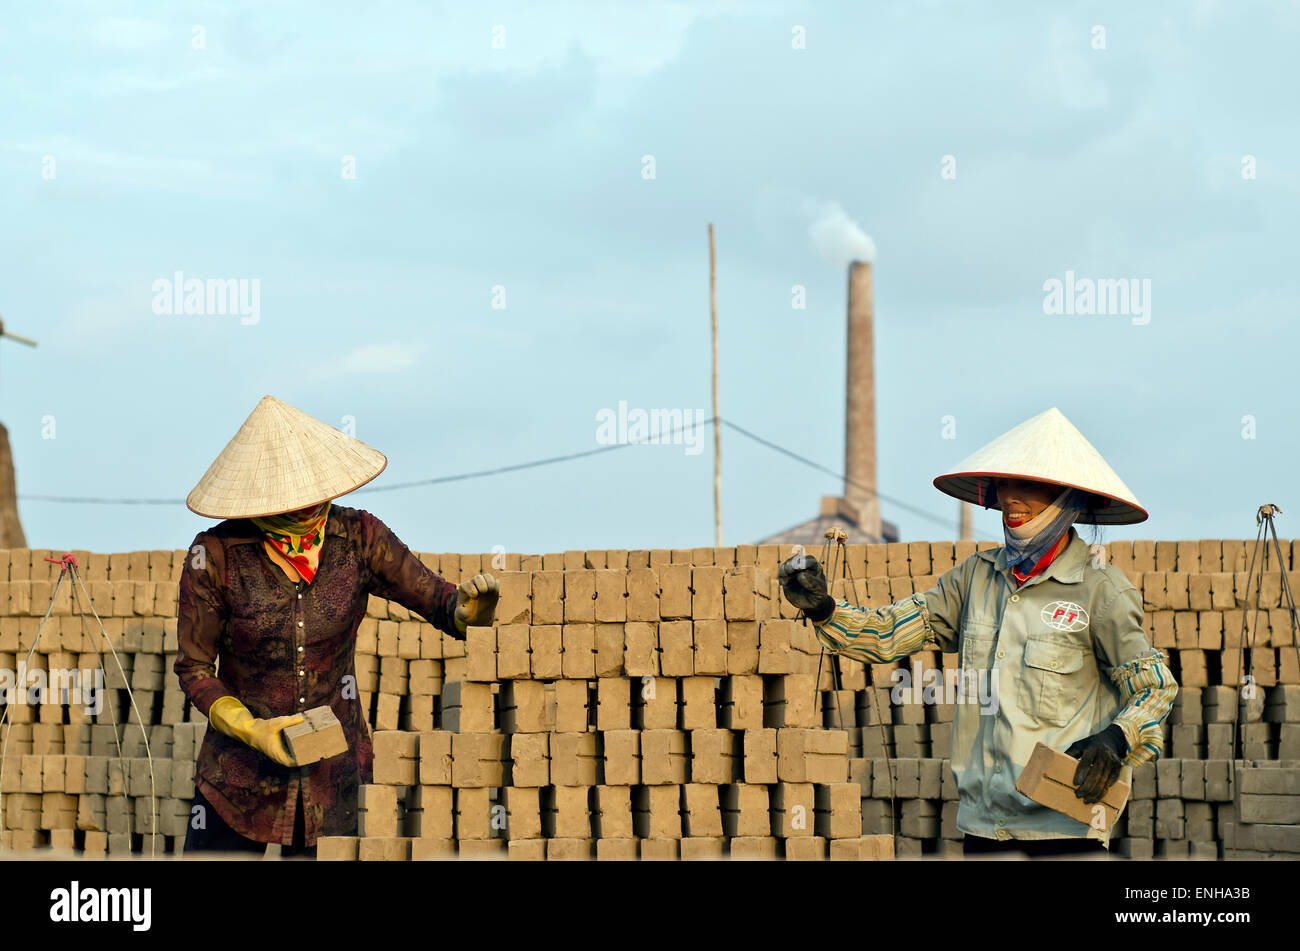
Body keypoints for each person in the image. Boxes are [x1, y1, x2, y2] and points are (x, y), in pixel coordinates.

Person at [778, 406, 1177, 859]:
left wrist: (1117, 738)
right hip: (983, 829)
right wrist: (826, 610)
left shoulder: (1101, 590)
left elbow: (1154, 689)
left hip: (1063, 829)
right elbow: (890, 631)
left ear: (1066, 498)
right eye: (1005, 484)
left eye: (1028, 485)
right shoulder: (975, 578)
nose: (1011, 497)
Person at [174, 395, 499, 857]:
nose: (306, 507)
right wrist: (254, 731)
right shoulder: (216, 555)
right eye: (287, 501)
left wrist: (470, 613)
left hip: (333, 778)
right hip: (237, 781)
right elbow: (195, 670)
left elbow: (442, 602)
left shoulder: (361, 538)